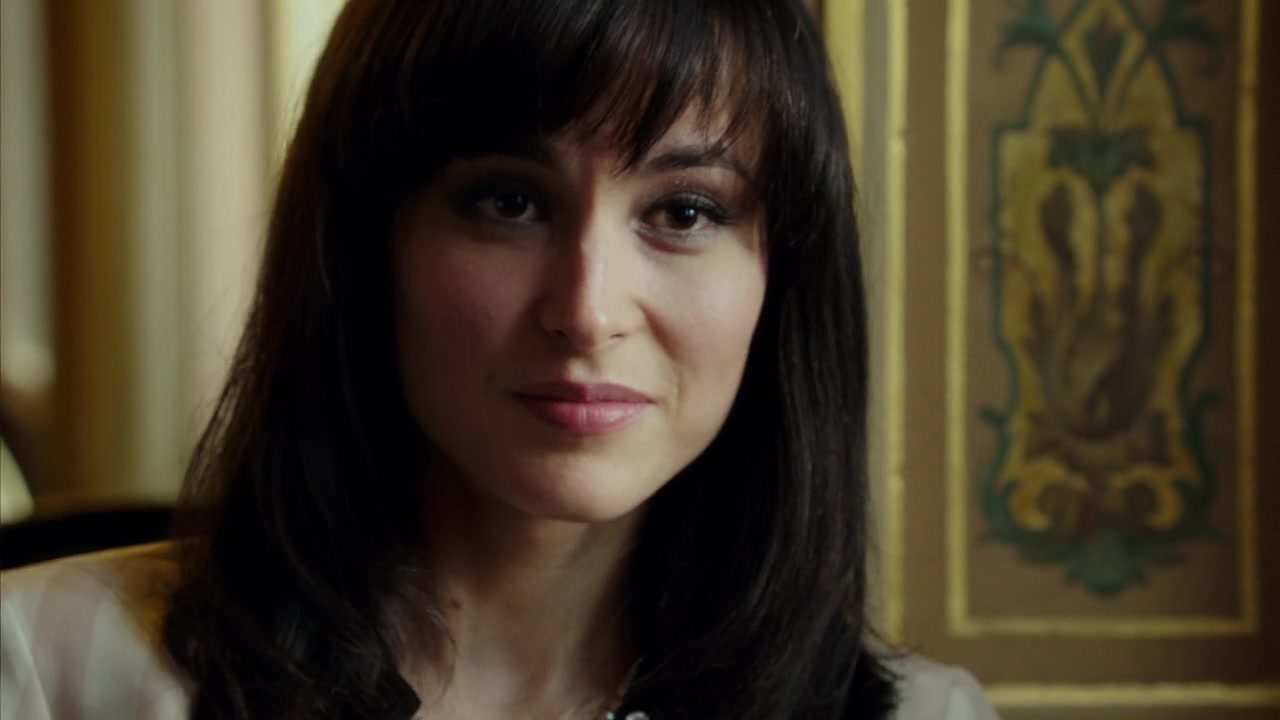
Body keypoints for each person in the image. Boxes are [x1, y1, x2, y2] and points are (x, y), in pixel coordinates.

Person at [0, 1, 1000, 718]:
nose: (588, 311)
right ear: (369, 240)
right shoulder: (44, 672)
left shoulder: (923, 716)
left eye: (685, 211)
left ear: (782, 277)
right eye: (509, 202)